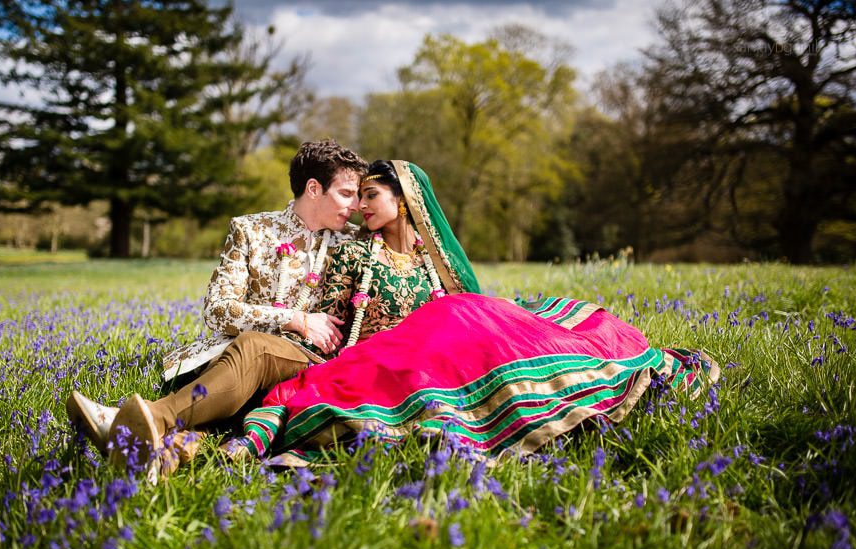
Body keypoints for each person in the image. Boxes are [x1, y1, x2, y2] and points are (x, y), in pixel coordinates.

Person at [222, 159, 720, 466]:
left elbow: (464, 306)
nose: (363, 207)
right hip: (385, 353)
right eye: (361, 196)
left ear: (405, 201)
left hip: (440, 346)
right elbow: (333, 323)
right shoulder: (354, 253)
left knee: (485, 322)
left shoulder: (432, 261)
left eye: (372, 196)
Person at [65, 140, 369, 480]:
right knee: (241, 356)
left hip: (305, 364)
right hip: (235, 362)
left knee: (253, 349)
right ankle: (159, 456)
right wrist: (294, 319)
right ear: (314, 188)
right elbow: (218, 311)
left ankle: (140, 420)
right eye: (346, 194)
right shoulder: (252, 230)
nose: (357, 205)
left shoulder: (357, 244)